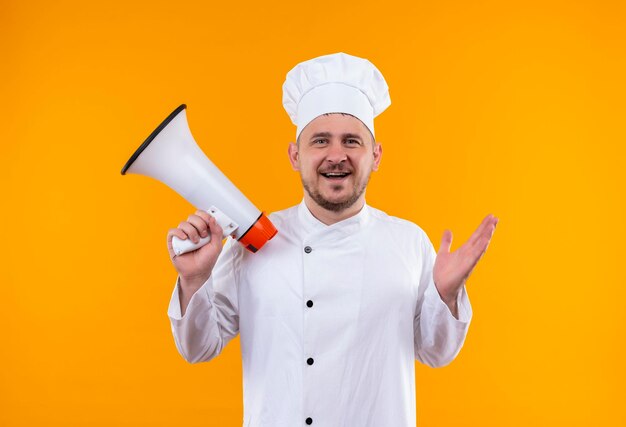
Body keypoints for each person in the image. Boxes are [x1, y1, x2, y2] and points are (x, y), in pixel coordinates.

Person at [166, 52, 498, 427]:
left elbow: (437, 352)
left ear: (376, 155)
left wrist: (447, 296)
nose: (336, 155)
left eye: (352, 141)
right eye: (320, 141)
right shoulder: (252, 243)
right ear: (295, 155)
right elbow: (198, 348)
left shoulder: (409, 242)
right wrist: (194, 281)